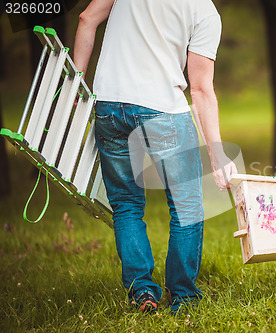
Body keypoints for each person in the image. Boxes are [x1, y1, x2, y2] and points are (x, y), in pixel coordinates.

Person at [74, 0, 237, 314]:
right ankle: (183, 298)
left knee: (125, 204)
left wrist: (75, 87)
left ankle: (142, 294)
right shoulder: (204, 11)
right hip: (162, 109)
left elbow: (86, 18)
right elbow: (201, 89)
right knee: (188, 207)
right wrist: (217, 154)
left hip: (108, 104)